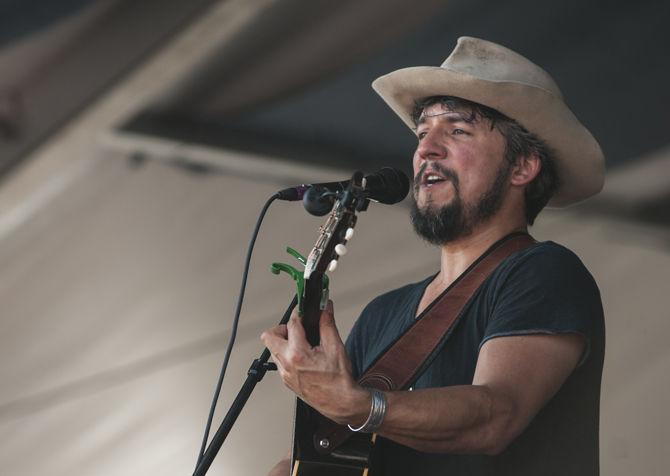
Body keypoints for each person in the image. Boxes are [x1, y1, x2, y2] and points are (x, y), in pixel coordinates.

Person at [262, 36, 605, 475]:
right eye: (423, 132)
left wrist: (360, 406)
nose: (426, 149)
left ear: (522, 167)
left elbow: (495, 415)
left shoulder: (543, 273)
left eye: (458, 130)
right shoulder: (382, 314)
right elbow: (335, 463)